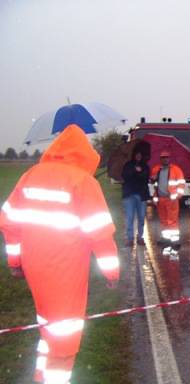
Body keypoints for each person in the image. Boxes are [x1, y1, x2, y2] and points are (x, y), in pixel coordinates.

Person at [0, 124, 120, 383]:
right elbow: (99, 233)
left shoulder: (31, 175)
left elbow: (9, 222)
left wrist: (14, 261)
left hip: (34, 267)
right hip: (65, 272)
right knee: (65, 335)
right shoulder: (83, 182)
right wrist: (111, 272)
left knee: (48, 326)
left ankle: (41, 376)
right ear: (85, 155)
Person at [150, 150, 185, 243]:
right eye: (163, 158)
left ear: (169, 158)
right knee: (163, 220)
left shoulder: (176, 169)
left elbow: (181, 183)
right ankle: (165, 238)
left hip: (171, 199)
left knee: (172, 221)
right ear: (160, 159)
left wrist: (178, 195)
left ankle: (174, 240)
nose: (165, 159)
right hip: (161, 199)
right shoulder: (156, 169)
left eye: (166, 157)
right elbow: (154, 184)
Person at [121, 148, 150, 247]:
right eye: (137, 154)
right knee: (129, 217)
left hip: (141, 195)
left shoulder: (145, 166)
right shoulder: (128, 165)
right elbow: (125, 176)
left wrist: (140, 172)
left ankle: (140, 237)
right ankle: (130, 238)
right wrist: (134, 170)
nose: (138, 156)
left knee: (141, 217)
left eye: (140, 154)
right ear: (133, 155)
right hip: (129, 195)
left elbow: (146, 178)